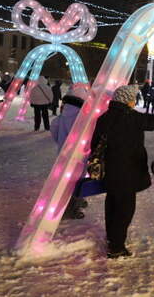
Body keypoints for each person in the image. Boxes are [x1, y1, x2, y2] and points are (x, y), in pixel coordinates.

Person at [92, 85, 154, 258]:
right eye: (132, 98)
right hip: (128, 170)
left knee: (112, 204)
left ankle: (112, 238)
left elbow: (94, 144)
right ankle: (116, 247)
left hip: (110, 170)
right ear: (126, 100)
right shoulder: (131, 117)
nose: (134, 101)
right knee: (125, 210)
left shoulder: (104, 117)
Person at [50, 87, 88, 219]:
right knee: (78, 181)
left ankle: (73, 203)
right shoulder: (83, 118)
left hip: (64, 155)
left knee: (65, 182)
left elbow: (54, 128)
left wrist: (61, 143)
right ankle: (73, 207)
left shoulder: (62, 116)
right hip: (80, 156)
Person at [51, 87, 86, 152]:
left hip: (63, 151)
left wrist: (60, 141)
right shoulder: (84, 117)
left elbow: (54, 128)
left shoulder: (61, 117)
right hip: (78, 152)